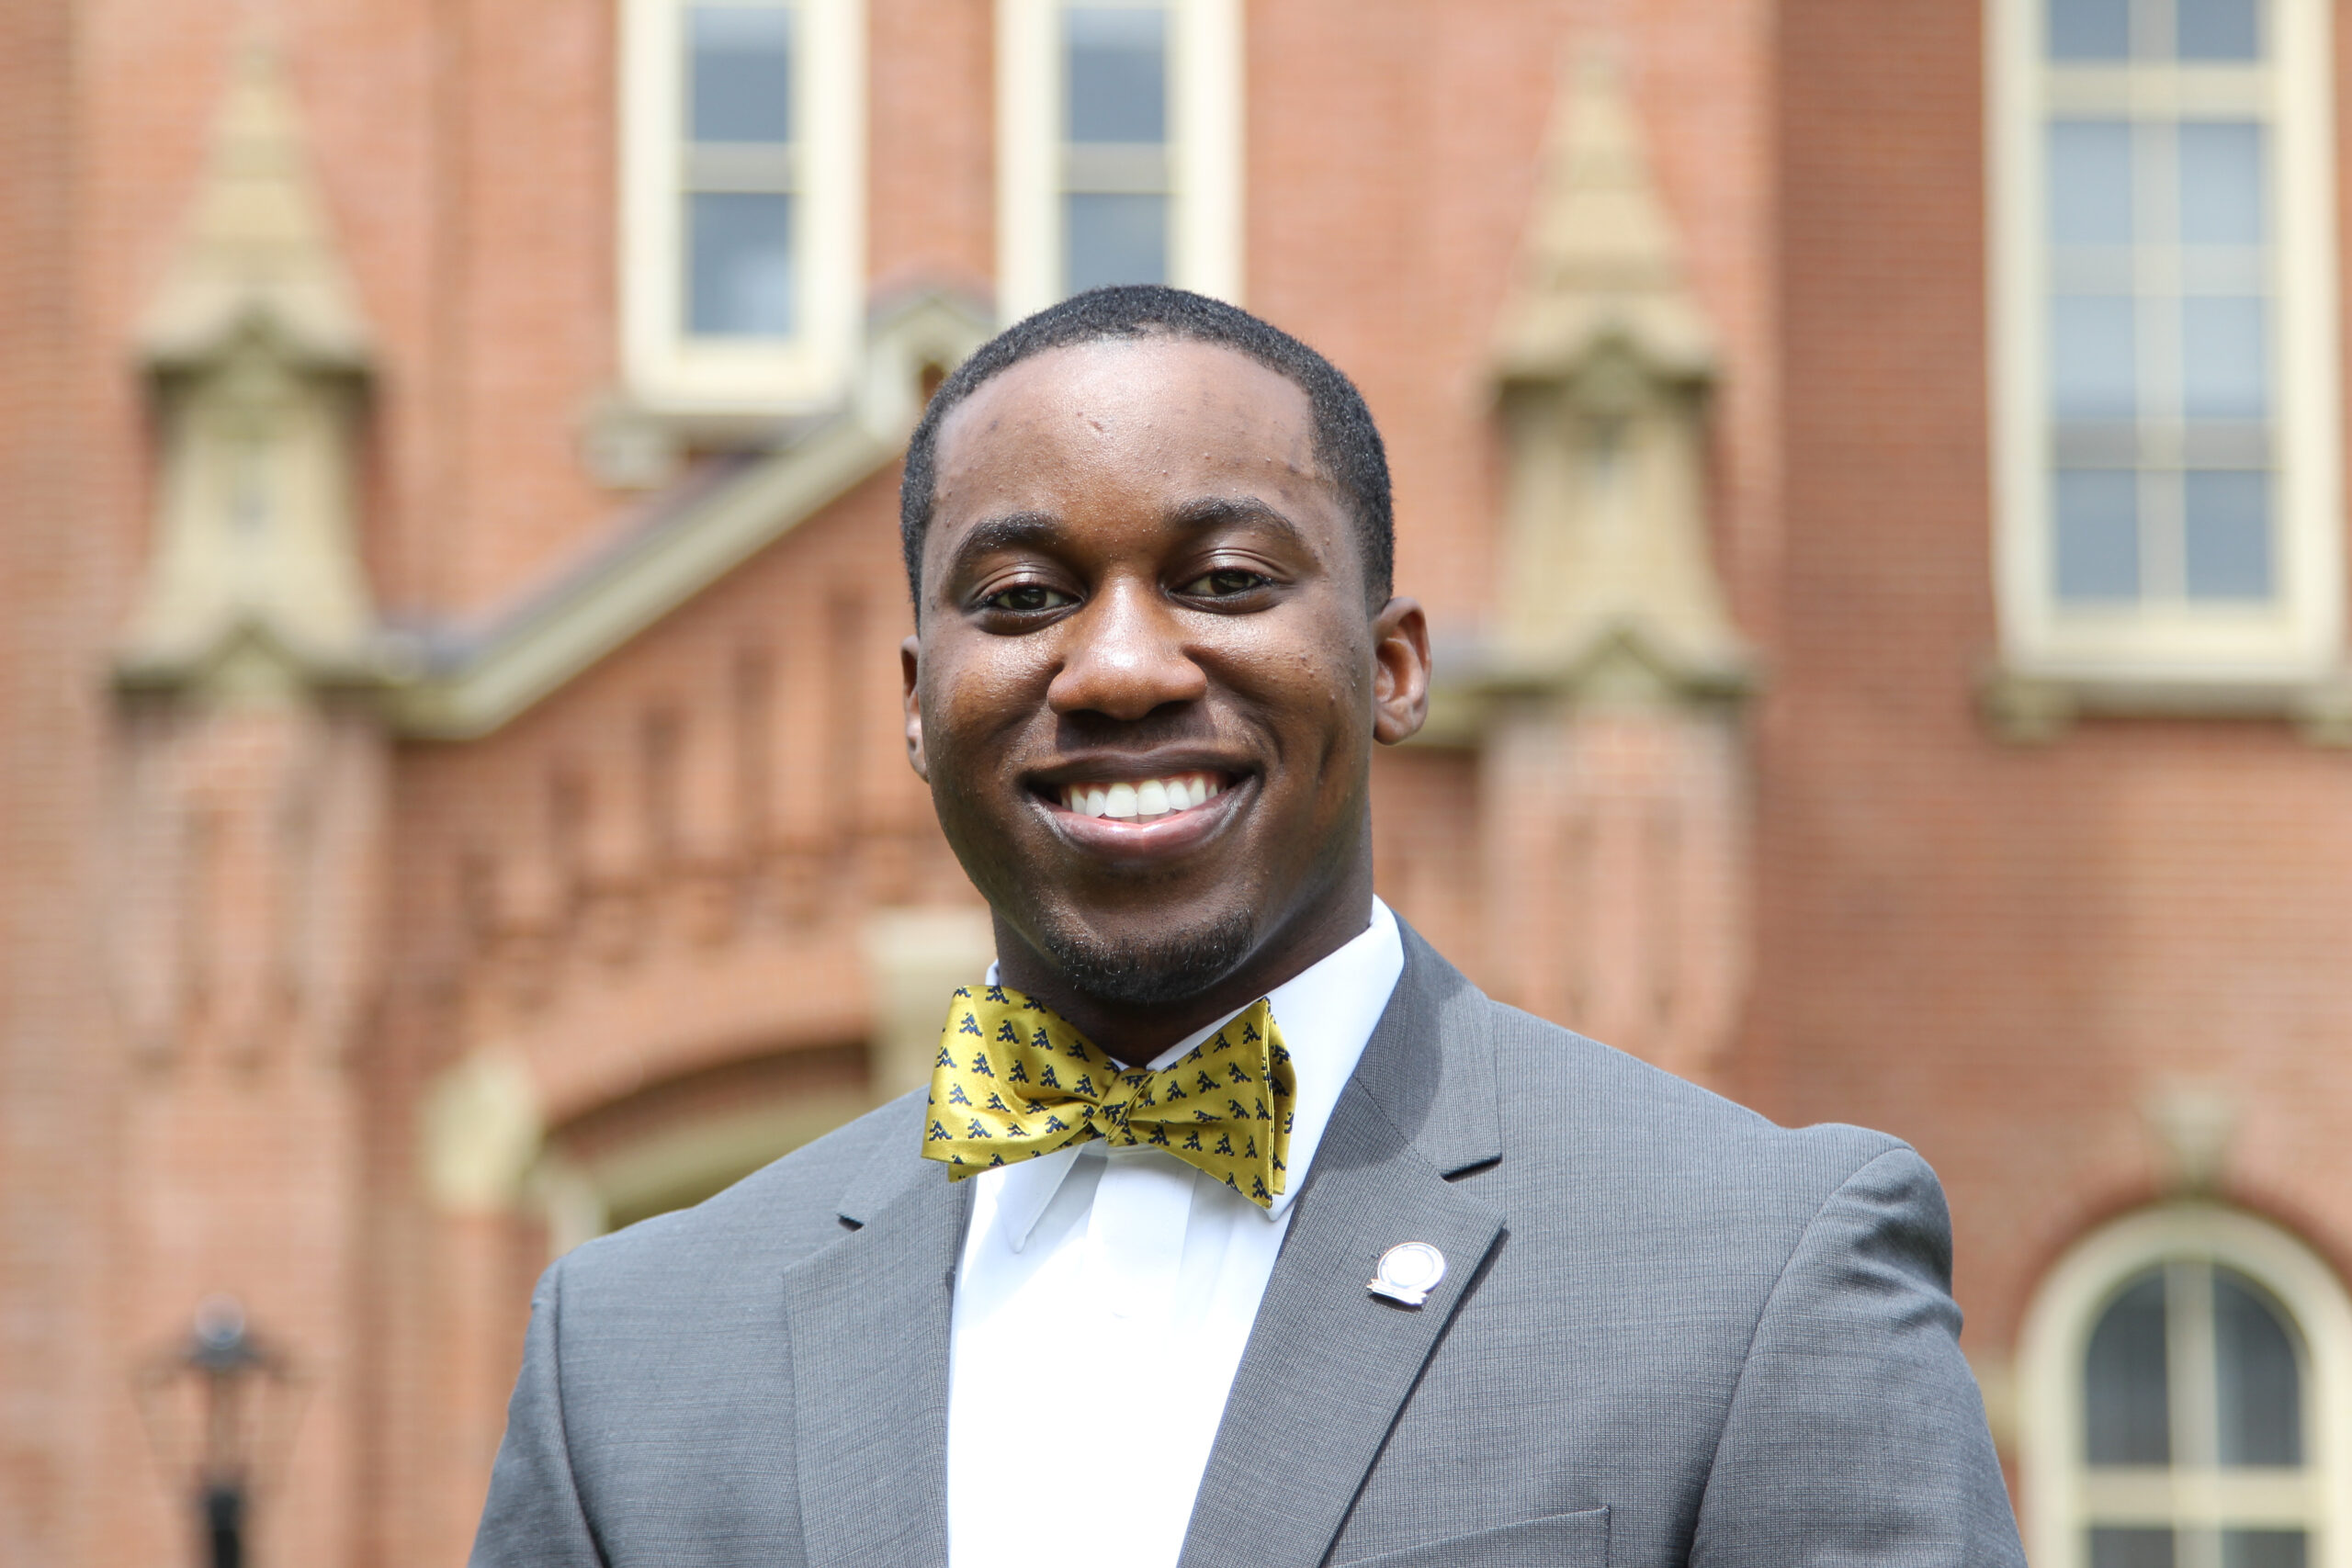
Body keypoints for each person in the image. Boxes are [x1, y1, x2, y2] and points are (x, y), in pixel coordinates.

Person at [470, 286, 2024, 1568]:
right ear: (918, 706)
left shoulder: (1755, 1273)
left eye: (1223, 580)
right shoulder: (631, 1357)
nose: (1120, 667)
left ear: (1392, 668)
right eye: (1021, 598)